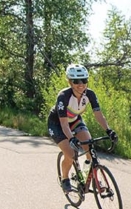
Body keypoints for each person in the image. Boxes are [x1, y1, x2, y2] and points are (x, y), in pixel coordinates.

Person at [48, 64, 118, 193]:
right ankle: (64, 179)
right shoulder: (63, 96)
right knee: (71, 154)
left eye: (84, 80)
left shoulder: (90, 94)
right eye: (76, 81)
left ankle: (88, 179)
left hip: (75, 120)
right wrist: (71, 139)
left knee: (90, 149)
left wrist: (109, 130)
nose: (81, 84)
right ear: (70, 82)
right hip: (58, 124)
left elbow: (98, 115)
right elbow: (64, 124)